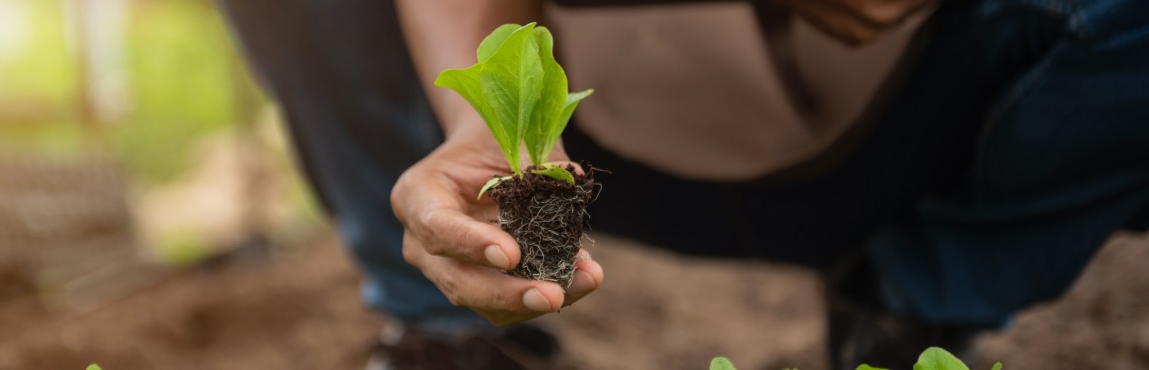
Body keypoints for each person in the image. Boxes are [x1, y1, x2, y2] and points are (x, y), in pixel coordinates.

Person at [220, 0, 1149, 369]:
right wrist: (481, 128)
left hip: (918, 139)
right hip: (612, 153)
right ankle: (451, 334)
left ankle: (916, 301)